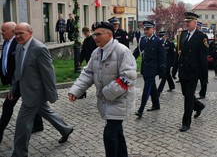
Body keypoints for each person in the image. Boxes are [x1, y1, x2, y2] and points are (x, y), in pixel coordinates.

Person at [68, 21, 136, 157]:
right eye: (94, 34)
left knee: (110, 134)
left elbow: (128, 76)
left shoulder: (122, 51)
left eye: (98, 34)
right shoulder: (97, 52)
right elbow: (88, 73)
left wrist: (107, 93)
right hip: (107, 101)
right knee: (117, 133)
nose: (95, 37)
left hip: (119, 101)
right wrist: (76, 90)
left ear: (109, 34)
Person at [8, 23, 73, 157]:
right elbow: (18, 71)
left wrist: (52, 95)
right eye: (16, 33)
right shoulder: (19, 47)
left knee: (22, 125)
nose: (18, 36)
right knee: (46, 112)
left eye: (21, 33)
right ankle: (65, 129)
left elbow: (48, 74)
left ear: (30, 33)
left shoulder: (39, 48)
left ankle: (19, 154)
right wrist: (13, 88)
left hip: (35, 94)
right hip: (26, 89)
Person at [0, 22, 44, 144]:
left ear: (12, 31)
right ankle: (46, 125)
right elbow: (5, 59)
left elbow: (21, 65)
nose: (1, 32)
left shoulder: (19, 43)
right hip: (13, 81)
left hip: (20, 82)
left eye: (4, 30)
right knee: (37, 106)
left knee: (8, 106)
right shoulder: (6, 42)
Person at [172, 12, 206, 132]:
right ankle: (199, 106)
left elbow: (203, 59)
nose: (186, 23)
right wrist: (174, 68)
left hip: (193, 72)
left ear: (195, 22)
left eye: (189, 21)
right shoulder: (182, 35)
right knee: (186, 94)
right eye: (186, 21)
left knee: (188, 98)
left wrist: (204, 79)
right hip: (183, 71)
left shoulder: (201, 37)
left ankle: (186, 122)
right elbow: (178, 53)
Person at [133, 21, 166, 118]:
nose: (146, 31)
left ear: (153, 29)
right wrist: (129, 60)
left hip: (152, 69)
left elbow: (162, 57)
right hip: (145, 68)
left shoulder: (158, 41)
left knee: (147, 89)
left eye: (148, 29)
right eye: (145, 29)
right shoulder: (142, 40)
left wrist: (162, 70)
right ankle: (156, 105)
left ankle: (140, 110)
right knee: (153, 88)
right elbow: (137, 52)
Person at [77, 26, 97, 99]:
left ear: (89, 32)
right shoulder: (85, 41)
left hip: (96, 62)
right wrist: (80, 61)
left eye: (86, 33)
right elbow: (83, 52)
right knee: (85, 78)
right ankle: (82, 92)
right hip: (89, 62)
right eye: (84, 33)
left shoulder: (94, 40)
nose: (85, 34)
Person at [157, 31, 175, 95]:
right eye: (160, 37)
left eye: (163, 36)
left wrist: (172, 64)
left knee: (164, 76)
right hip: (162, 62)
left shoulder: (170, 44)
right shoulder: (159, 43)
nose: (162, 38)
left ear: (165, 36)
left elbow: (173, 55)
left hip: (168, 62)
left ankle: (159, 91)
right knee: (167, 75)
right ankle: (172, 86)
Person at [196, 21, 209, 99]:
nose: (197, 28)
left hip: (202, 59)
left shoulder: (203, 36)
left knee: (203, 78)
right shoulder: (193, 35)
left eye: (198, 27)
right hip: (195, 59)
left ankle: (202, 93)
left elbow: (206, 47)